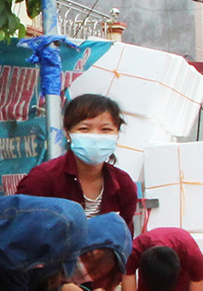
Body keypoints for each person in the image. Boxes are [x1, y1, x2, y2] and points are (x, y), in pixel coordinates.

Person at [15, 93, 137, 232]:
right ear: (68, 133)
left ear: (117, 134)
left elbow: (125, 241)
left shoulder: (123, 185)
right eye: (84, 129)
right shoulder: (43, 178)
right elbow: (20, 231)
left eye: (106, 130)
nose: (95, 136)